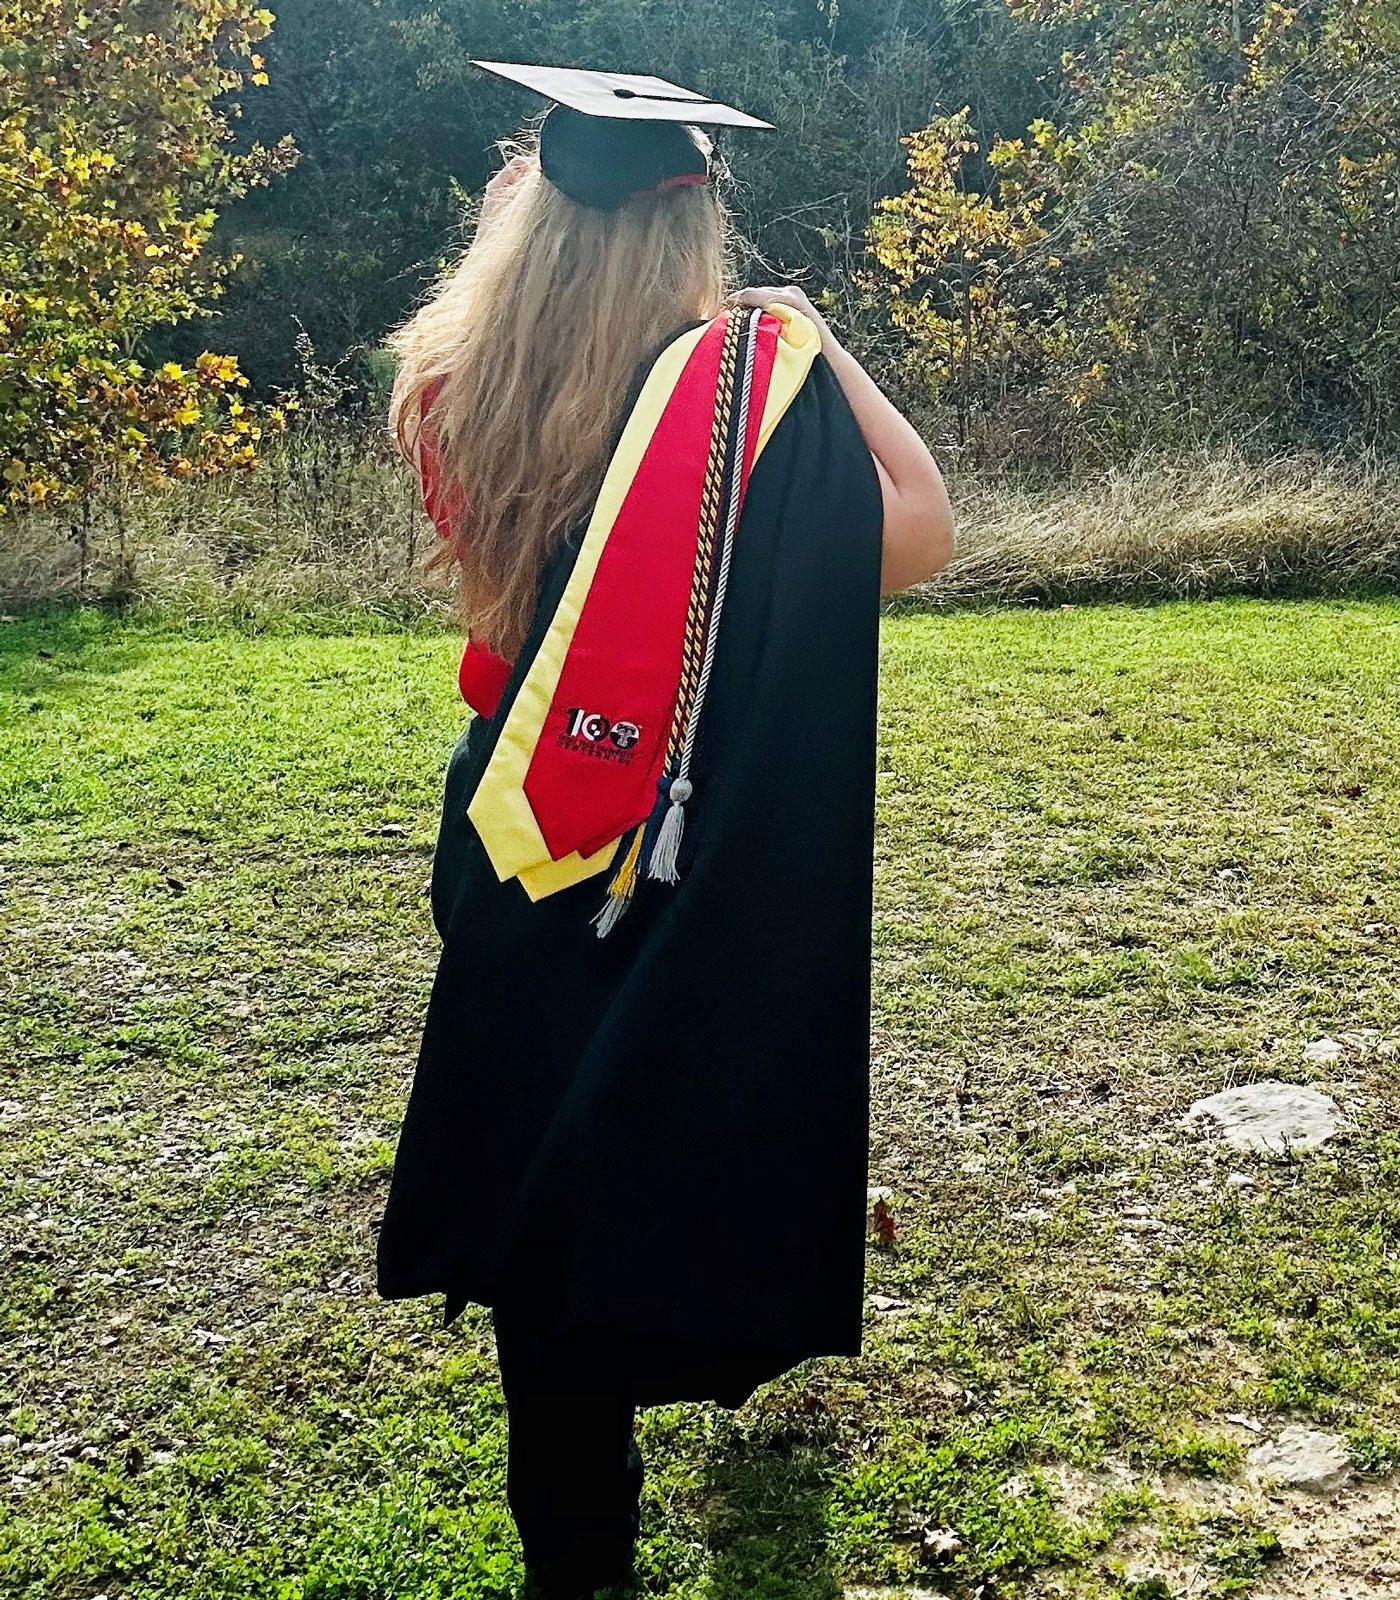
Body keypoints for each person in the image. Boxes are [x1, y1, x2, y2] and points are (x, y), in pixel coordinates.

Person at [376, 64, 953, 1600]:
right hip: (683, 828)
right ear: (696, 228)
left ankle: (576, 1544)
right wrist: (809, 334)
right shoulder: (743, 403)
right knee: (664, 1125)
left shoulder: (447, 374)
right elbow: (920, 530)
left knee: (537, 1151)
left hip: (518, 822)